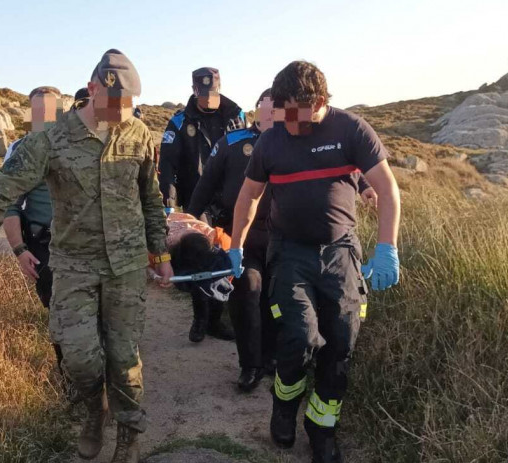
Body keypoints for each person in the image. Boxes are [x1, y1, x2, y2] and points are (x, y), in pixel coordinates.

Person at [0, 49, 173, 463]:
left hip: (126, 263)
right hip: (73, 263)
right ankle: (95, 410)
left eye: (129, 105)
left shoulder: (139, 135)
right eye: (115, 103)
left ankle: (129, 433)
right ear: (92, 90)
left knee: (125, 355)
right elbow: (2, 188)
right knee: (78, 355)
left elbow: (150, 198)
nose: (123, 112)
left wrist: (159, 252)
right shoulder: (51, 139)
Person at [229, 61, 401, 463]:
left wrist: (386, 247)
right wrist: (236, 246)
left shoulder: (351, 130)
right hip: (289, 252)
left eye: (294, 113)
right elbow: (249, 196)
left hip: (340, 253)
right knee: (299, 337)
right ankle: (285, 403)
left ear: (319, 103)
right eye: (280, 113)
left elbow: (387, 189)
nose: (286, 122)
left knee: (340, 343)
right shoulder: (272, 142)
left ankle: (322, 428)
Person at [188, 89, 377, 393]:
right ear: (256, 111)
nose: (272, 118)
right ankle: (250, 365)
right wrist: (191, 223)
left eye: (276, 112)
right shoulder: (232, 143)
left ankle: (273, 357)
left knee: (276, 302)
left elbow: (340, 165)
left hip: (284, 239)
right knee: (248, 289)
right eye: (266, 112)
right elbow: (205, 185)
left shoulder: (296, 140)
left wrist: (366, 186)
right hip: (243, 238)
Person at [0, 86, 83, 401]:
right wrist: (20, 250)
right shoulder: (21, 150)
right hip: (44, 247)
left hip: (83, 242)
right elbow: (9, 204)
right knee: (60, 313)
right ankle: (70, 381)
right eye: (39, 112)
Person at [156, 68, 244, 344]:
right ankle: (200, 318)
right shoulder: (180, 122)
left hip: (230, 198)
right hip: (197, 199)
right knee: (200, 256)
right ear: (194, 91)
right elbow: (167, 165)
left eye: (213, 93)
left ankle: (217, 317)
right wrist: (170, 204)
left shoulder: (235, 115)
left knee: (227, 256)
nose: (208, 99)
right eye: (203, 94)